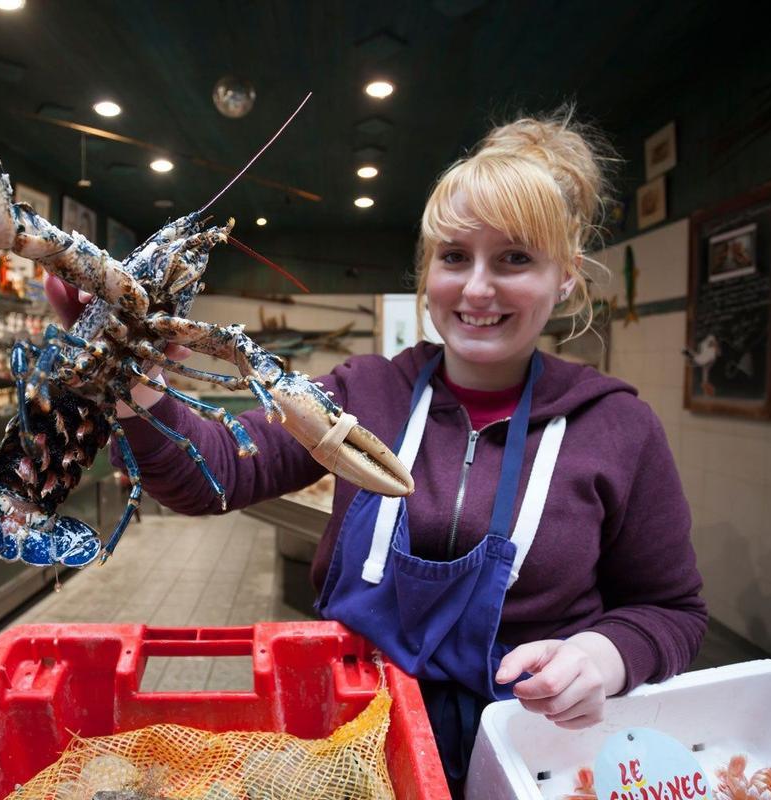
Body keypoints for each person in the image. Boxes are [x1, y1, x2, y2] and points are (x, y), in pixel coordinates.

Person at [45, 109, 707, 797]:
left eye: (515, 258)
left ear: (565, 277)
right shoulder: (362, 391)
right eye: (455, 257)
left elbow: (672, 610)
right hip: (354, 739)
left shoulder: (620, 428)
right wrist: (128, 381)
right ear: (427, 271)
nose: (478, 289)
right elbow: (210, 475)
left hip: (528, 752)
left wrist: (607, 656)